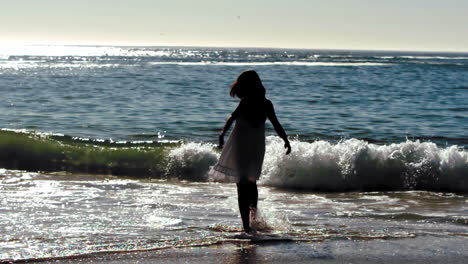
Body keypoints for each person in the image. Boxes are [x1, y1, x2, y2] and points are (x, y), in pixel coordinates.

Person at [212, 70, 291, 233]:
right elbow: (276, 124)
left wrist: (222, 135)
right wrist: (285, 140)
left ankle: (246, 226)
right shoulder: (266, 103)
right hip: (256, 145)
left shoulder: (246, 102)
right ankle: (252, 220)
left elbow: (232, 118)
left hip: (242, 145)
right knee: (251, 181)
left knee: (242, 185)